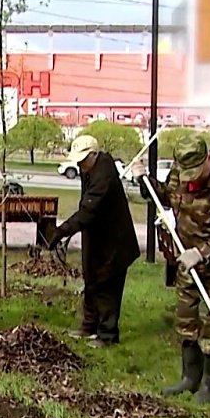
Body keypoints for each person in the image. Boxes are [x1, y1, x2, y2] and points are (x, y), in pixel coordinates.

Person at [131, 136, 210, 404]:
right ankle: (190, 377)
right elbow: (168, 199)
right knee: (186, 318)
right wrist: (144, 180)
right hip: (186, 259)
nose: (190, 178)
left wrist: (203, 252)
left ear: (208, 159)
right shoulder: (180, 171)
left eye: (195, 172)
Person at [47, 135, 140, 348]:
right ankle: (89, 325)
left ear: (93, 155)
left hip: (114, 239)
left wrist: (61, 231)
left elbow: (89, 209)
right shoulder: (88, 168)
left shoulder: (104, 177)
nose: (79, 164)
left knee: (107, 283)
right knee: (91, 279)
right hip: (95, 234)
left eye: (82, 160)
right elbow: (85, 207)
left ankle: (107, 335)